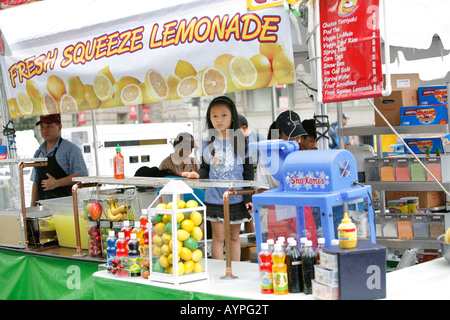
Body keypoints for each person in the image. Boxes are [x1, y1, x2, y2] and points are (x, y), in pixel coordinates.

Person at [181, 96, 254, 261]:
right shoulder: (208, 141)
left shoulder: (242, 141)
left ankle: (236, 272)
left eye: (223, 115)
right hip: (215, 198)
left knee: (234, 238)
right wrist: (197, 175)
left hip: (236, 197)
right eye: (214, 116)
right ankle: (218, 274)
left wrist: (247, 196)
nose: (219, 120)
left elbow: (248, 173)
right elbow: (206, 168)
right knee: (218, 238)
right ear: (209, 118)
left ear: (232, 116)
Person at [31, 114, 88, 206]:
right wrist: (32, 209)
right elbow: (35, 183)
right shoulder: (38, 153)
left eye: (49, 126)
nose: (45, 130)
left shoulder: (70, 149)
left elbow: (82, 174)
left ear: (60, 127)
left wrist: (56, 183)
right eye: (42, 127)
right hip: (43, 210)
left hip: (66, 208)